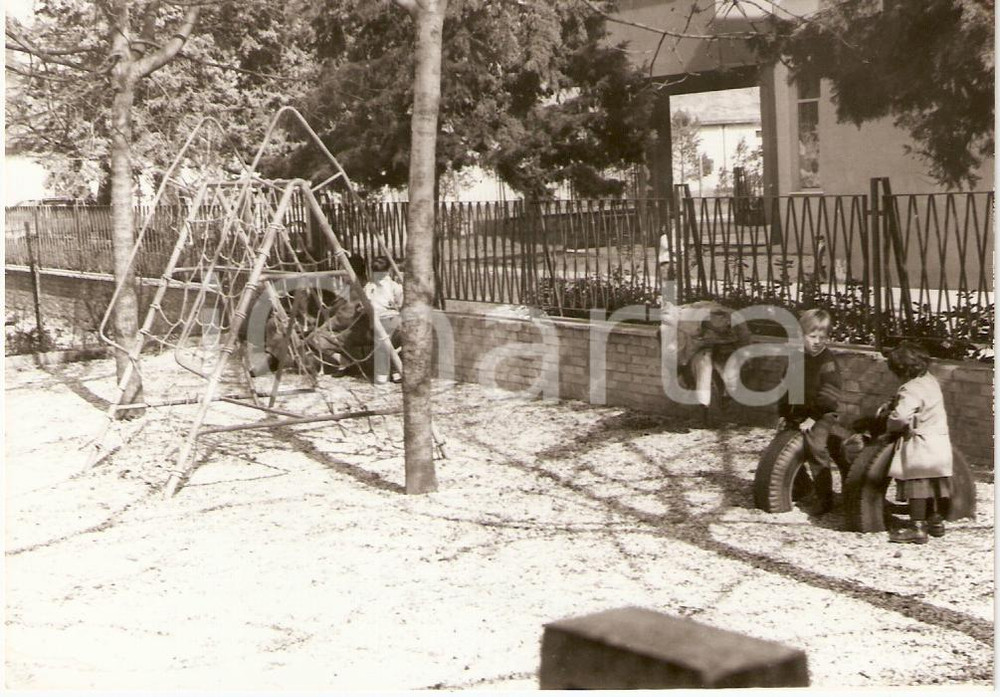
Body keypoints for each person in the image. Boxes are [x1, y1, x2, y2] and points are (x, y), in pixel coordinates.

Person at [777, 308, 850, 514]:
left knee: (816, 448)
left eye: (822, 337)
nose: (817, 341)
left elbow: (830, 393)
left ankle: (825, 497)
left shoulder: (826, 362)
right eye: (812, 336)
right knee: (783, 445)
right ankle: (802, 487)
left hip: (822, 413)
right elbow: (788, 388)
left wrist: (814, 417)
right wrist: (784, 414)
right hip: (799, 413)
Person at [883, 342, 953, 544]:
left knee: (917, 485)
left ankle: (917, 528)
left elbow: (901, 417)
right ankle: (936, 522)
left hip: (921, 445)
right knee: (934, 484)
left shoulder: (910, 388)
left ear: (901, 370)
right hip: (939, 443)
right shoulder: (931, 381)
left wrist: (890, 423)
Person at [675, 301, 752, 426]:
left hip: (720, 349)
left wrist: (746, 358)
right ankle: (708, 414)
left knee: (723, 376)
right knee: (707, 371)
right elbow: (685, 348)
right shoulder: (690, 321)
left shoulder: (734, 319)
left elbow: (745, 339)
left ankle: (720, 411)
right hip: (706, 349)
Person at [364, 255, 403, 385]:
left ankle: (382, 376)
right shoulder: (393, 286)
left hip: (382, 319)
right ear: (388, 270)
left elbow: (367, 303)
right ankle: (396, 374)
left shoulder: (370, 286)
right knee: (392, 347)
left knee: (382, 349)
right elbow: (400, 303)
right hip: (392, 319)